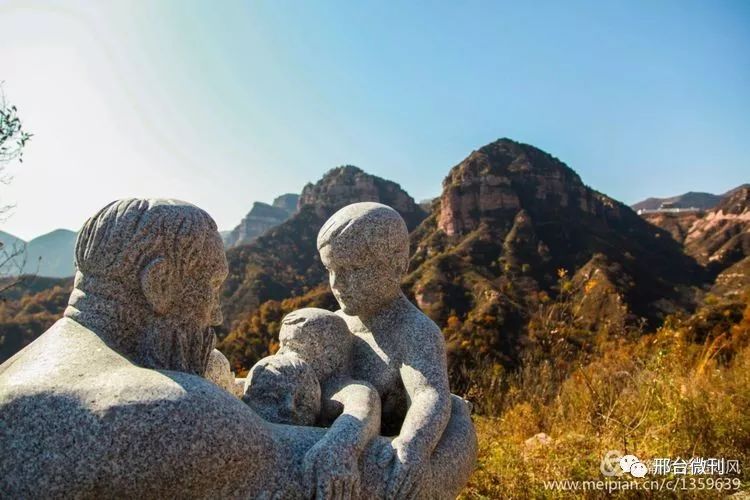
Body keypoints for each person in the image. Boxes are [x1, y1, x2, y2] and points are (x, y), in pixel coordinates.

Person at [317, 202, 477, 499]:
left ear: (397, 265)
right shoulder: (333, 325)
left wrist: (413, 444)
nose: (338, 284)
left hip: (383, 447)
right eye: (331, 270)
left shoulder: (414, 330)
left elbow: (429, 393)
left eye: (353, 270)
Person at [244, 308, 382, 498]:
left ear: (330, 357)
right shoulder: (283, 373)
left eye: (293, 346)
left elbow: (363, 410)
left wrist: (339, 445)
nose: (282, 353)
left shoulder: (342, 389)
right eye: (281, 344)